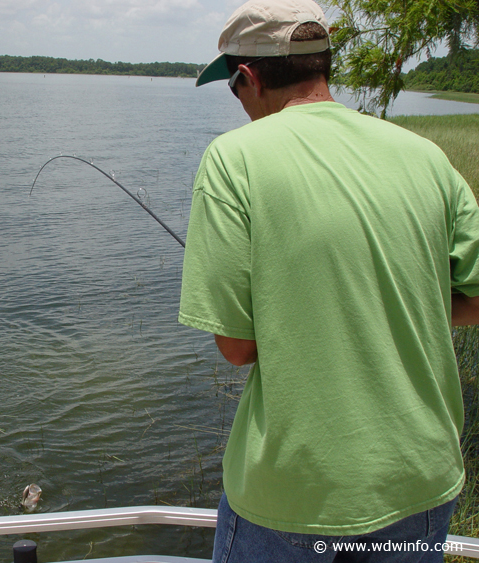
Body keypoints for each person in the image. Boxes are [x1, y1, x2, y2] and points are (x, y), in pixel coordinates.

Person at [178, 0, 479, 561]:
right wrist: (415, 304)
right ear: (323, 65)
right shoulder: (427, 157)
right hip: (420, 482)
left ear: (248, 77)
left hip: (296, 495)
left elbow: (237, 347)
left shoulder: (233, 159)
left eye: (233, 88)